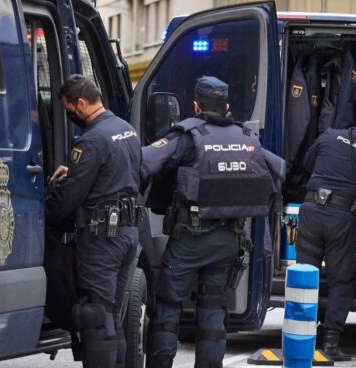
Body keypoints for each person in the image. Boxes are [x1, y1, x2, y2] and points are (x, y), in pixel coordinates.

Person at [141, 76, 282, 368]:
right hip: (229, 241)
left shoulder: (187, 135)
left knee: (167, 306)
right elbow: (276, 172)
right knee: (212, 306)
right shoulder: (246, 138)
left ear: (195, 105)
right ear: (227, 105)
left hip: (189, 240)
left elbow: (144, 162)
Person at [46, 74, 142, 368]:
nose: (70, 115)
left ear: (82, 103)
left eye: (69, 110)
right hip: (127, 232)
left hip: (102, 239)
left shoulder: (91, 141)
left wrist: (53, 191)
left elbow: (67, 200)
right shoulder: (127, 131)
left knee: (95, 317)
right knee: (111, 315)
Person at [295, 100, 356, 361]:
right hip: (342, 219)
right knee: (340, 280)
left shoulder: (329, 135)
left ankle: (301, 338)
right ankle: (330, 343)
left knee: (305, 277)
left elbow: (307, 165)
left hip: (311, 212)